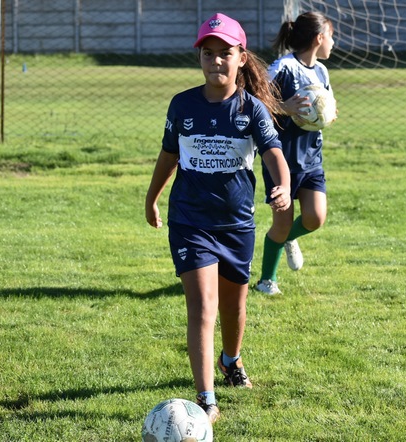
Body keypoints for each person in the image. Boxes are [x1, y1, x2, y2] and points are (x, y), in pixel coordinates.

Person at [145, 13, 291, 423]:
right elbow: (168, 156)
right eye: (207, 53)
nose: (215, 61)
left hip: (236, 224)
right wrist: (152, 198)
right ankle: (206, 400)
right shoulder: (182, 104)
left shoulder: (252, 109)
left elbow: (274, 154)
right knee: (202, 306)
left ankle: (231, 359)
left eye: (224, 53)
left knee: (232, 307)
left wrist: (282, 185)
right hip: (190, 222)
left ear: (241, 57)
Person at [256, 11, 335, 296]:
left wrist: (329, 113)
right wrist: (284, 108)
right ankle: (266, 281)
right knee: (281, 223)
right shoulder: (283, 67)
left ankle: (289, 238)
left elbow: (325, 102)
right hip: (282, 160)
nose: (333, 43)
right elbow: (255, 100)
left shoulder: (321, 71)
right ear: (319, 38)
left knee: (315, 218)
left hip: (311, 157)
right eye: (331, 36)